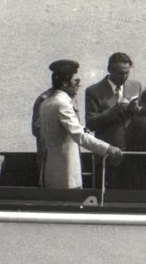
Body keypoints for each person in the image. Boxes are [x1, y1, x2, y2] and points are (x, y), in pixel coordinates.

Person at [38, 59, 124, 189]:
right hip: (65, 174)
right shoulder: (62, 104)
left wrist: (83, 129)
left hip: (50, 171)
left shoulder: (46, 103)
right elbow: (79, 136)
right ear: (65, 83)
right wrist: (108, 148)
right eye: (76, 81)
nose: (79, 85)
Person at [85, 52, 143, 188]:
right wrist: (114, 110)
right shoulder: (94, 91)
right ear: (109, 70)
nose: (124, 77)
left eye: (127, 73)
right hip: (108, 155)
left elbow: (144, 116)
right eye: (120, 73)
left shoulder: (136, 86)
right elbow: (91, 123)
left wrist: (137, 110)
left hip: (133, 153)